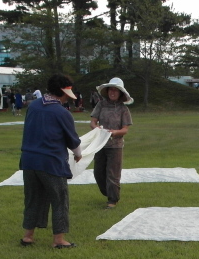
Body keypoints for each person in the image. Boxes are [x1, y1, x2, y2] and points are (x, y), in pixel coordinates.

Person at [20, 72, 82, 249]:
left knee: (33, 198)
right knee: (60, 199)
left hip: (28, 161)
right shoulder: (62, 113)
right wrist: (78, 154)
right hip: (50, 162)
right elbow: (73, 140)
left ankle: (28, 236)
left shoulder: (33, 106)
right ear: (63, 92)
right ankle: (59, 240)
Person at [90, 76, 134, 209]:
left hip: (115, 145)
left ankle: (112, 200)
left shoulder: (123, 109)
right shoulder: (101, 104)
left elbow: (125, 129)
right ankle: (108, 192)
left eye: (116, 90)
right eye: (111, 90)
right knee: (98, 172)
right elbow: (93, 121)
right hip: (100, 143)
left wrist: (115, 132)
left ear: (120, 93)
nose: (112, 92)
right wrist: (96, 128)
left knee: (113, 173)